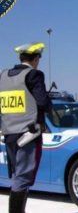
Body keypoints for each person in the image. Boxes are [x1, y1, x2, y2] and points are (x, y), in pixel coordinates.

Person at [0, 42, 52, 213]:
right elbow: (43, 102)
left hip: (9, 135)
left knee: (17, 177)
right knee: (22, 179)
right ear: (36, 58)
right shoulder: (34, 75)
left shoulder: (3, 76)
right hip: (28, 135)